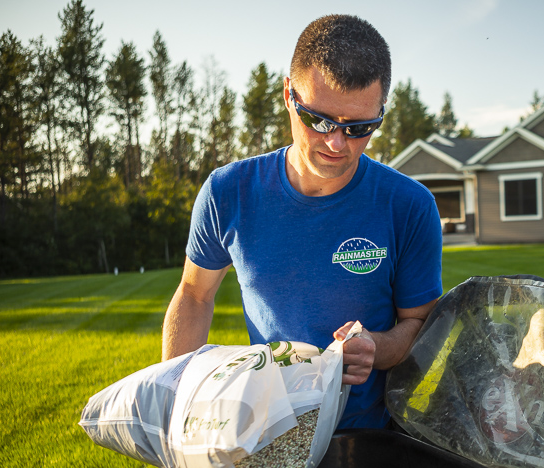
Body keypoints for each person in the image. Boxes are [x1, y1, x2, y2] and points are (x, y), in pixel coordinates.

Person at [162, 14, 443, 429]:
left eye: (360, 127)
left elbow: (420, 324)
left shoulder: (409, 205)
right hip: (269, 426)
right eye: (321, 120)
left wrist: (376, 348)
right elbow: (195, 294)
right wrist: (173, 398)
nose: (336, 143)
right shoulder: (229, 192)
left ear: (381, 110)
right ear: (288, 95)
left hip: (373, 438)